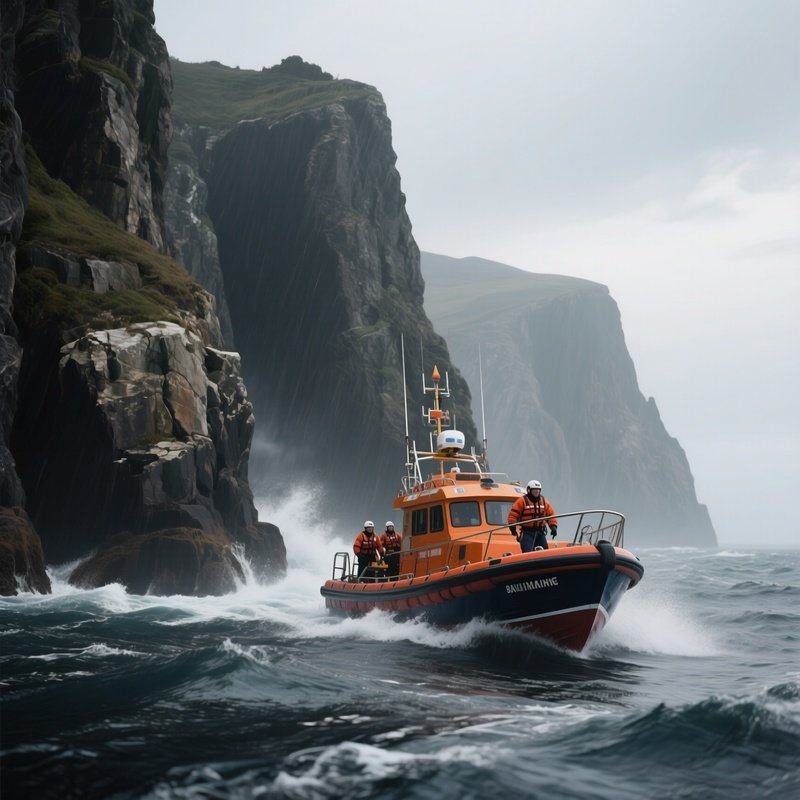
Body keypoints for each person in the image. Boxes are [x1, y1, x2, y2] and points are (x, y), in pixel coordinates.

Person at [507, 480, 558, 552]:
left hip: (540, 532)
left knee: (545, 552)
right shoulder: (522, 501)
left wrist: (553, 527)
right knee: (527, 552)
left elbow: (551, 515)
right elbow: (513, 515)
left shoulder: (544, 501)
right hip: (527, 532)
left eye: (538, 490)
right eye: (534, 490)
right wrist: (512, 528)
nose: (537, 492)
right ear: (529, 490)